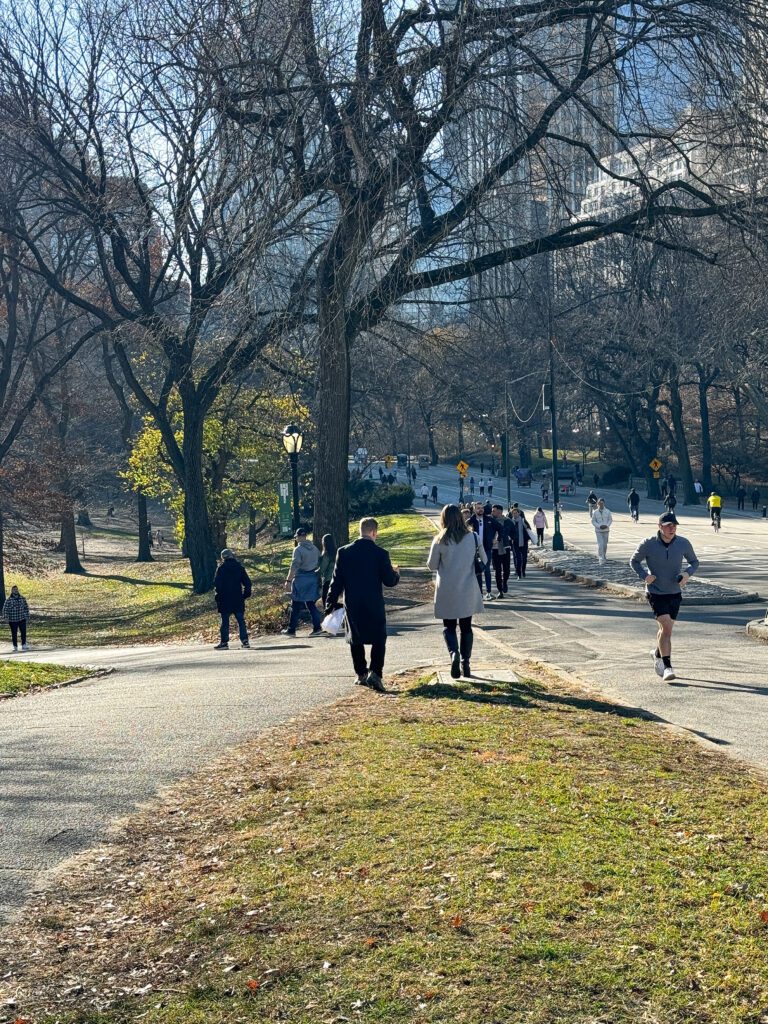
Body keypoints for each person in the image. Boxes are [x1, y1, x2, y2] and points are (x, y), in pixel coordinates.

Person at [326, 517, 400, 691]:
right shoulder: (381, 554)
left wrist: (330, 601)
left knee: (355, 639)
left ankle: (360, 673)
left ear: (360, 531)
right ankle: (375, 672)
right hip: (373, 602)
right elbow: (389, 581)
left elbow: (336, 580)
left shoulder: (343, 552)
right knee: (379, 638)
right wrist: (396, 574)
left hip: (352, 602)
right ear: (374, 532)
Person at [630, 512, 699, 682]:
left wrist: (686, 574)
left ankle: (657, 653)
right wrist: (644, 575)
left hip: (675, 592)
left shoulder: (683, 543)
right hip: (655, 592)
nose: (672, 528)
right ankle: (667, 667)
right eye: (668, 525)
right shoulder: (648, 543)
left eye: (674, 525)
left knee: (666, 630)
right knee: (666, 627)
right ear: (659, 527)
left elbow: (694, 562)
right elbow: (634, 561)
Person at [427, 504, 486, 679]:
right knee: (466, 627)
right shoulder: (473, 537)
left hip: (447, 588)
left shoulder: (439, 540)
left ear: (443, 519)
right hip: (467, 587)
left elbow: (431, 565)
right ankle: (466, 663)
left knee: (449, 626)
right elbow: (484, 559)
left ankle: (454, 653)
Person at [282, 528, 323, 637]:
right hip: (313, 578)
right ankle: (317, 627)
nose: (296, 538)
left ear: (299, 537)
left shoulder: (298, 549)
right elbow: (320, 561)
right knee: (310, 604)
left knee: (295, 604)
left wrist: (288, 580)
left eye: (296, 536)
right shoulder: (314, 548)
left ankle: (291, 630)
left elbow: (294, 565)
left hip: (300, 580)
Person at [213, 549, 252, 650]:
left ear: (223, 558)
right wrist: (246, 594)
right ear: (232, 556)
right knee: (240, 620)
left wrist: (218, 597)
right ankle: (245, 641)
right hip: (237, 598)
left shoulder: (221, 569)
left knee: (225, 622)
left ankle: (224, 642)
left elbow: (217, 585)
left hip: (225, 599)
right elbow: (247, 583)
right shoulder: (240, 568)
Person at [469, 501, 495, 600]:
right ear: (474, 509)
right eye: (478, 508)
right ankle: (479, 593)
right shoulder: (470, 521)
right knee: (477, 572)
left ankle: (488, 592)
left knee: (487, 570)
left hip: (486, 549)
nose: (481, 510)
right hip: (474, 550)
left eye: (482, 508)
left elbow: (500, 528)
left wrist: (496, 538)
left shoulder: (489, 519)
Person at [489, 504, 511, 597]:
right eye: (492, 511)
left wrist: (510, 538)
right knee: (497, 571)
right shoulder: (490, 521)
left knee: (506, 569)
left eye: (494, 511)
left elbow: (514, 533)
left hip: (505, 548)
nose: (492, 512)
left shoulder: (507, 521)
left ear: (500, 512)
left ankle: (504, 582)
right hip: (494, 550)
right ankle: (500, 590)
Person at [3, 585, 30, 652]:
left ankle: (24, 645)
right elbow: (5, 609)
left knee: (23, 632)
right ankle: (15, 647)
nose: (16, 590)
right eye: (14, 589)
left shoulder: (22, 598)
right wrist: (6, 617)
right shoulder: (8, 600)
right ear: (12, 591)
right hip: (13, 620)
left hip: (22, 618)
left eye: (16, 589)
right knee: (14, 633)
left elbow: (26, 608)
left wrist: (27, 616)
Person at [509, 506, 533, 578]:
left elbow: (529, 529)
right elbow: (508, 532)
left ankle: (523, 571)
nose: (515, 514)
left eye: (516, 513)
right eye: (513, 513)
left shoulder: (523, 521)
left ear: (519, 513)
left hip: (524, 542)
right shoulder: (510, 522)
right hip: (515, 543)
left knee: (524, 558)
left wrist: (525, 525)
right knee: (518, 559)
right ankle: (519, 573)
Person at [318, 533, 337, 608]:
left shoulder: (326, 554)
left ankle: (328, 616)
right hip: (336, 579)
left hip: (327, 580)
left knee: (325, 600)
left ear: (324, 543)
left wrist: (316, 572)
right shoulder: (336, 552)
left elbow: (322, 568)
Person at [592, 497, 612, 563]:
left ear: (604, 503)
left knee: (605, 545)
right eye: (600, 503)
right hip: (598, 531)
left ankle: (604, 555)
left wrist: (606, 525)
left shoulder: (608, 511)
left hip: (606, 530)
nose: (601, 504)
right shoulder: (595, 512)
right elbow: (593, 521)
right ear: (598, 503)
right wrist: (599, 526)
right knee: (600, 544)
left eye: (602, 503)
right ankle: (601, 558)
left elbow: (610, 520)